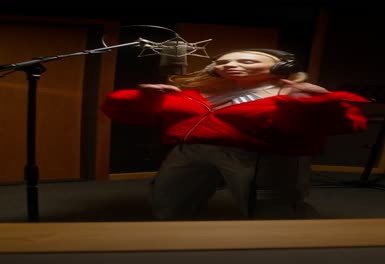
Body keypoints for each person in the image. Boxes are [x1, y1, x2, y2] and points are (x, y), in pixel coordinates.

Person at [101, 48, 369, 220]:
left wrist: (317, 102)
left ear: (281, 67)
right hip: (190, 152)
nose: (229, 65)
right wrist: (142, 97)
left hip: (259, 155)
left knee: (270, 209)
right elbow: (127, 114)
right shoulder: (203, 92)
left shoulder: (293, 92)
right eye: (222, 61)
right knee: (169, 201)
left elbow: (347, 124)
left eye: (246, 60)